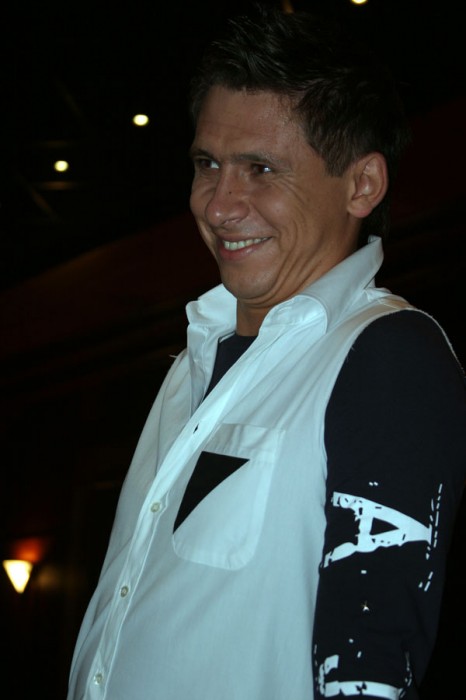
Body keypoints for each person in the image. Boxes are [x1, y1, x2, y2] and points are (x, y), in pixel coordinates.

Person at [67, 6, 466, 699]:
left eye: (260, 168)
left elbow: (369, 665)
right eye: (208, 164)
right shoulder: (191, 362)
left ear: (362, 185)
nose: (219, 205)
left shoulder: (386, 356)